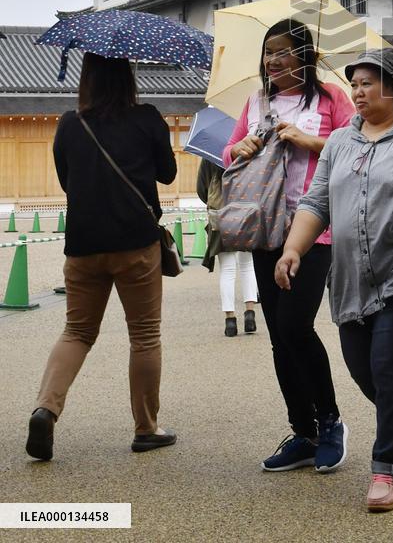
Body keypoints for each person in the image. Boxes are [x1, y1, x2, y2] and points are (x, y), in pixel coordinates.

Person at [275, 49, 393, 513]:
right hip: (350, 279)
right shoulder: (340, 141)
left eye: (367, 82)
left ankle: (385, 468)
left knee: (392, 368)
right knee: (364, 371)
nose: (357, 91)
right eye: (353, 84)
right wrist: (293, 248)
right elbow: (316, 202)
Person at [26, 54, 177, 461]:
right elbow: (167, 174)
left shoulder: (70, 123)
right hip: (135, 244)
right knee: (144, 335)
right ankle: (146, 428)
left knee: (76, 331)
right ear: (127, 77)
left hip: (83, 244)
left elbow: (66, 180)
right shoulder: (147, 117)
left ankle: (46, 409)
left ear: (87, 78)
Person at [222, 19, 355, 474]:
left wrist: (309, 139)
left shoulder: (332, 99)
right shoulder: (257, 101)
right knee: (279, 335)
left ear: (305, 56)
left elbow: (357, 150)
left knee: (297, 325)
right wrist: (240, 147)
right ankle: (303, 431)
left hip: (315, 228)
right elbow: (228, 152)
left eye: (282, 53)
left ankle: (331, 421)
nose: (273, 61)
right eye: (268, 54)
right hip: (266, 228)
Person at [197, 159, 258, 337]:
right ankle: (250, 314)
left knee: (227, 269)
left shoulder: (210, 155)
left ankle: (230, 321)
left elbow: (202, 188)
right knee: (247, 265)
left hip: (220, 215)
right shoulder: (248, 149)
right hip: (246, 212)